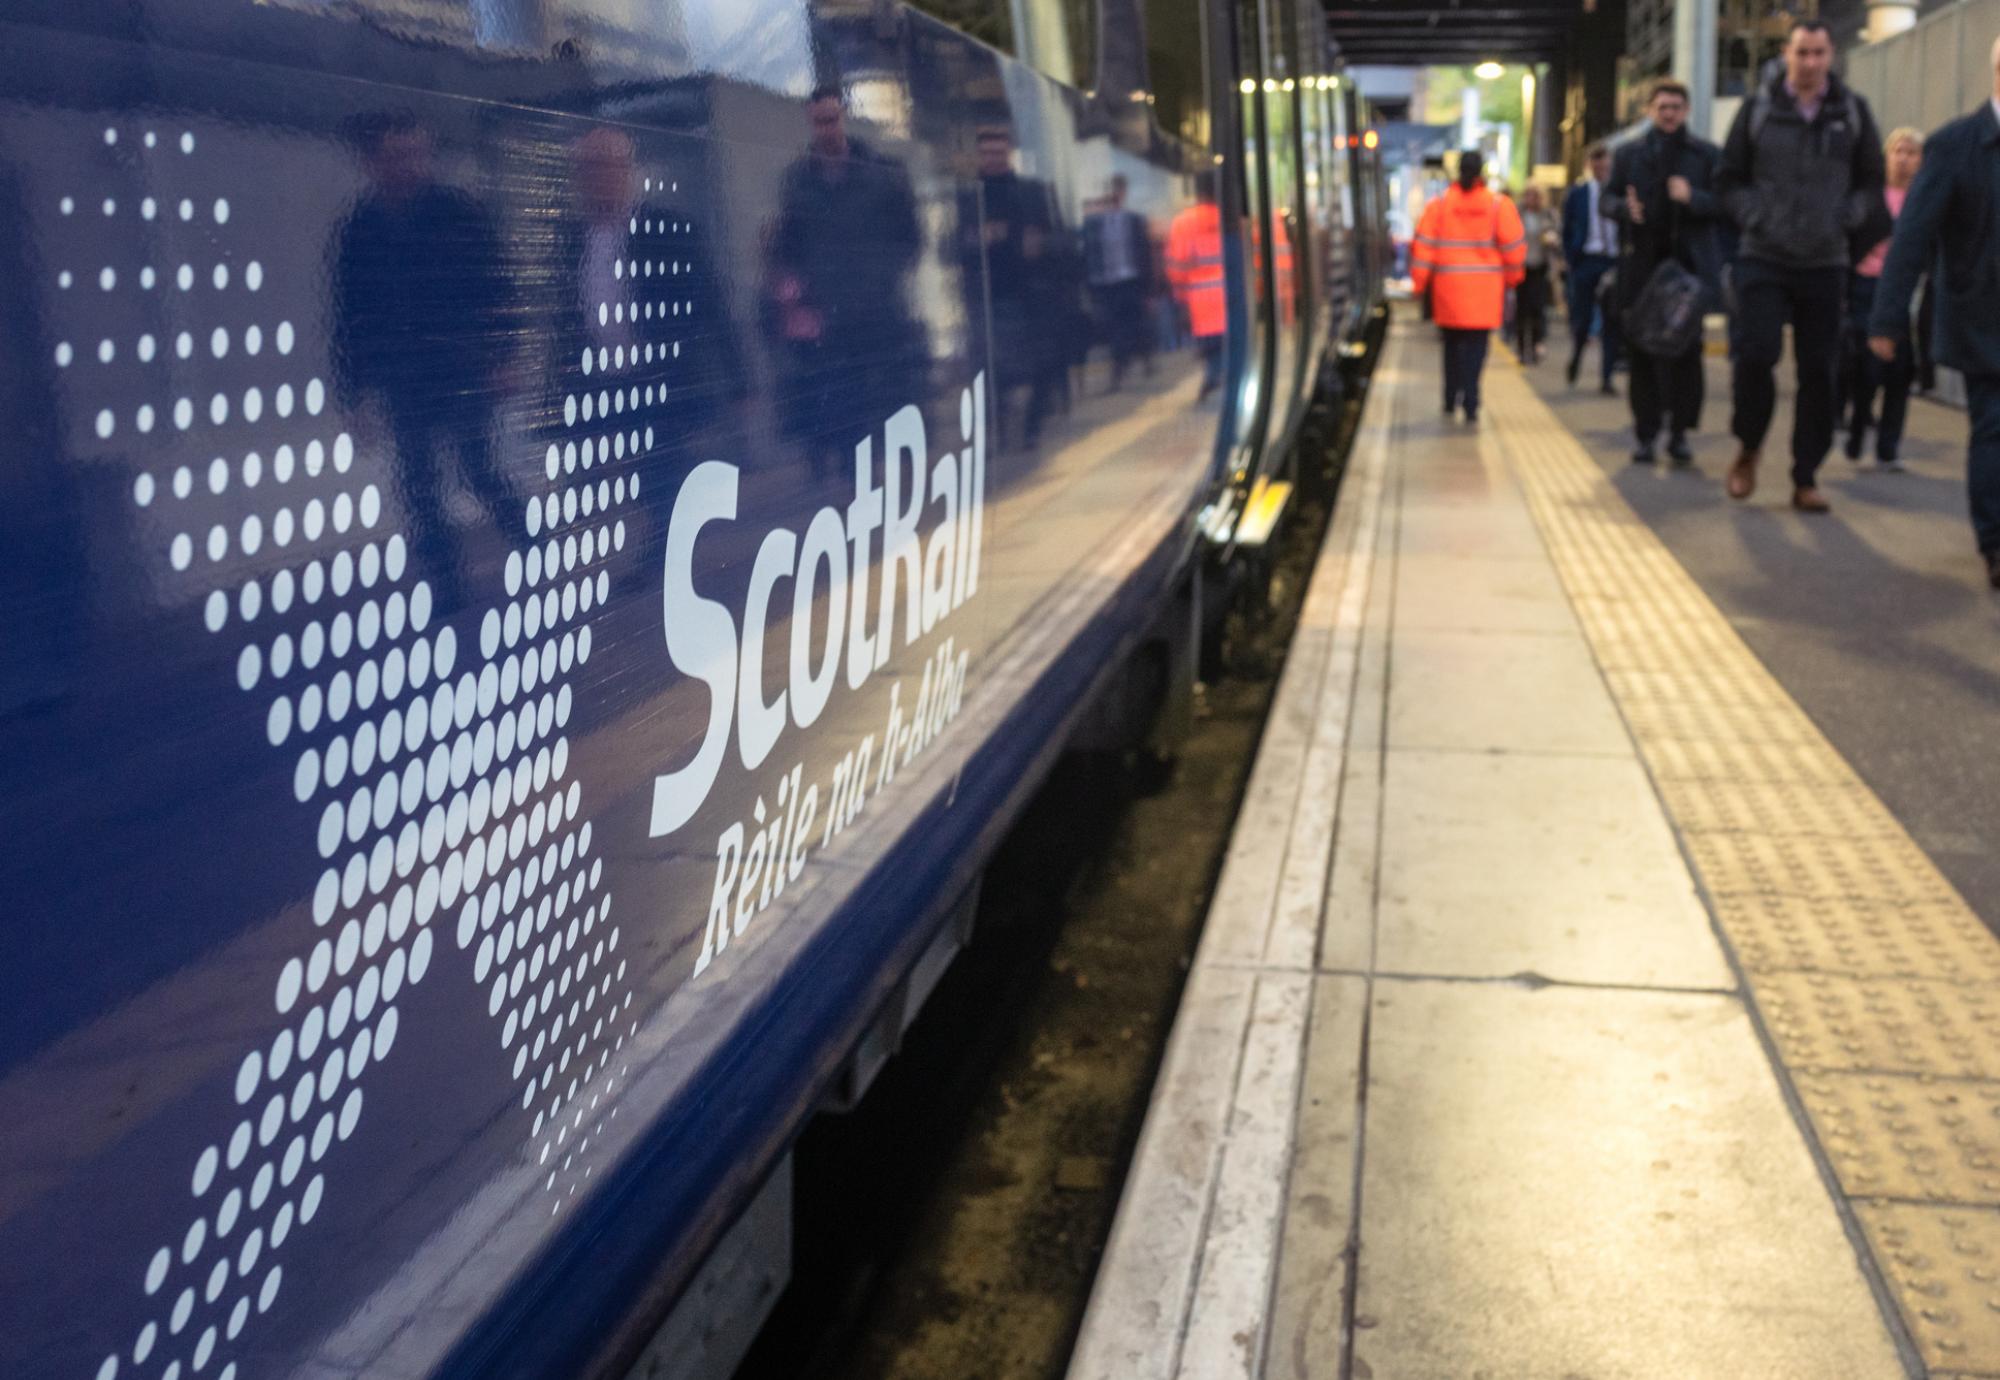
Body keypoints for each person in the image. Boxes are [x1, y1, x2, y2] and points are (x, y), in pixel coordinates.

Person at [331, 112, 517, 616]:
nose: (409, 166)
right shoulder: (360, 228)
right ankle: (447, 587)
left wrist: (503, 356)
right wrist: (355, 398)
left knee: (480, 470)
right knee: (418, 486)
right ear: (371, 162)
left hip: (462, 369)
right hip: (404, 377)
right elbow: (349, 316)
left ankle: (534, 551)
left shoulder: (458, 212)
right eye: (395, 156)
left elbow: (498, 286)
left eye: (416, 154)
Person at [1715, 20, 1887, 511]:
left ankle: (1805, 475)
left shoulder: (1851, 113)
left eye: (1818, 53)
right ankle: (1749, 446)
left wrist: (1845, 220)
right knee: (1756, 353)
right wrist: (1756, 215)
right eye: (1801, 53)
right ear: (1786, 55)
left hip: (1824, 261)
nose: (1810, 62)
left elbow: (1871, 184)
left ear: (1831, 55)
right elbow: (1728, 180)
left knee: (1819, 368)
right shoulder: (1760, 110)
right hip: (1763, 256)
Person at [1869, 35, 2000, 587]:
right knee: (1994, 427)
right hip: (1984, 319)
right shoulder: (1955, 145)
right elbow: (1914, 236)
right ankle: (1995, 543)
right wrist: (1887, 316)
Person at [766, 85, 924, 477]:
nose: (827, 129)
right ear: (810, 122)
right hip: (830, 316)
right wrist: (795, 292)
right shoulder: (798, 183)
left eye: (832, 119)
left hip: (881, 308)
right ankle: (857, 476)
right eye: (819, 122)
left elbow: (910, 238)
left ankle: (905, 465)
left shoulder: (882, 174)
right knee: (846, 397)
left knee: (891, 391)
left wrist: (881, 277)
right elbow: (788, 246)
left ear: (844, 118)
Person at [1605, 78, 1724, 467]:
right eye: (1662, 107)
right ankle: (1645, 433)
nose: (1669, 113)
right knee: (1642, 351)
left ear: (1686, 111)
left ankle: (1680, 433)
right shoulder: (1628, 155)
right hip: (1643, 268)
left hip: (1688, 272)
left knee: (1686, 353)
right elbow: (1607, 198)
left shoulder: (1706, 156)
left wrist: (1693, 198)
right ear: (1650, 111)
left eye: (1676, 106)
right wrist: (1626, 210)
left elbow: (1727, 204)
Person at [1410, 151, 1527, 424]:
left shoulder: (1438, 205)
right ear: (1481, 172)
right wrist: (1512, 279)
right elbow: (1513, 250)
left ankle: (1450, 397)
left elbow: (1424, 247)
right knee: (1476, 348)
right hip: (1485, 294)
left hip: (1448, 292)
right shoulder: (1499, 206)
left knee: (1451, 348)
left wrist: (1419, 283)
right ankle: (1471, 400)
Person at [1842, 127, 1922, 470]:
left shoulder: (1923, 196)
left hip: (1903, 292)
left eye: (1911, 152)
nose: (1903, 159)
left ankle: (1888, 449)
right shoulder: (1870, 195)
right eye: (1897, 151)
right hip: (1865, 288)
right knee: (1867, 367)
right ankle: (1858, 429)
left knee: (1899, 372)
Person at [1084, 174, 1157, 390]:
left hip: (1130, 279)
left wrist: (1149, 286)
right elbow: (1088, 254)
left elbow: (1144, 253)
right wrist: (1091, 285)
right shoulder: (1093, 223)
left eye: (1118, 190)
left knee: (1135, 323)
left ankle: (1144, 360)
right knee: (1115, 327)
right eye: (1111, 190)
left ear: (1123, 193)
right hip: (1107, 283)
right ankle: (1120, 369)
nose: (1114, 194)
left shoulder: (1134, 220)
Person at [1562, 145, 1621, 393]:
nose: (1601, 169)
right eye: (1597, 164)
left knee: (1612, 321)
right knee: (1582, 318)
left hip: (1613, 261)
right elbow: (1567, 229)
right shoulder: (1578, 194)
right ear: (1590, 165)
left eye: (1605, 164)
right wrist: (1571, 258)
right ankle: (1577, 355)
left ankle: (1607, 376)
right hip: (1586, 261)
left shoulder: (1619, 191)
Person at [1166, 179, 1226, 400]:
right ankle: (1222, 377)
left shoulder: (1183, 222)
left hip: (1200, 301)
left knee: (1209, 344)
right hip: (1229, 296)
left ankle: (1213, 377)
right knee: (1226, 342)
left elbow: (1177, 265)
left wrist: (1180, 295)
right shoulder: (1229, 219)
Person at [1514, 185, 1557, 364]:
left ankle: (1537, 345)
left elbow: (1556, 234)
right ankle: (1522, 349)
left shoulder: (1548, 215)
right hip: (1521, 267)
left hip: (1540, 267)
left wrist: (1552, 239)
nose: (1530, 198)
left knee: (1537, 308)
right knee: (1522, 310)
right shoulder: (1517, 213)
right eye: (1527, 194)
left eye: (1534, 195)